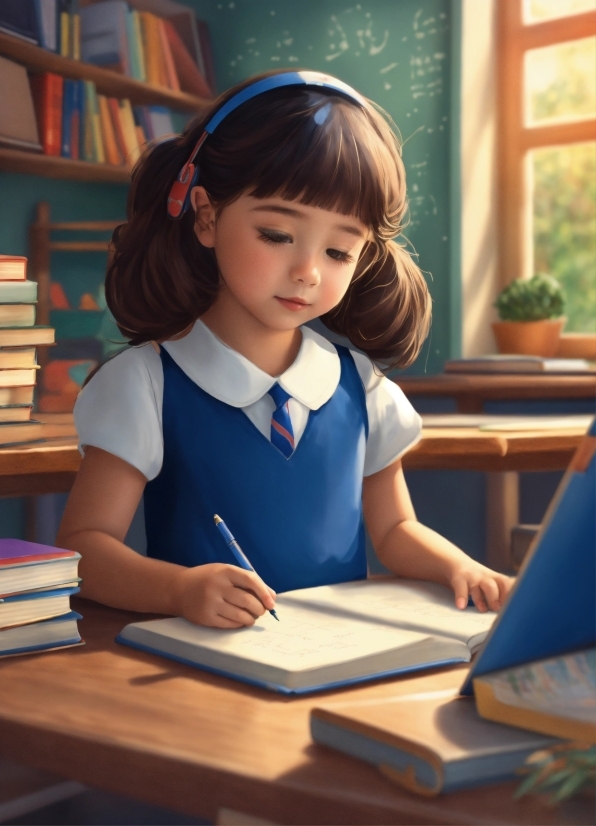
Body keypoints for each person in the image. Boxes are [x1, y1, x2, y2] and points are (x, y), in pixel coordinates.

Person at [57, 70, 513, 630]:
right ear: (206, 216)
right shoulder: (147, 384)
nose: (307, 271)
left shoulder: (361, 387)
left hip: (339, 662)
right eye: (276, 235)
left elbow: (394, 531)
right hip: (205, 667)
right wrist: (180, 590)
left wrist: (459, 567)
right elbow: (85, 548)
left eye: (340, 251)